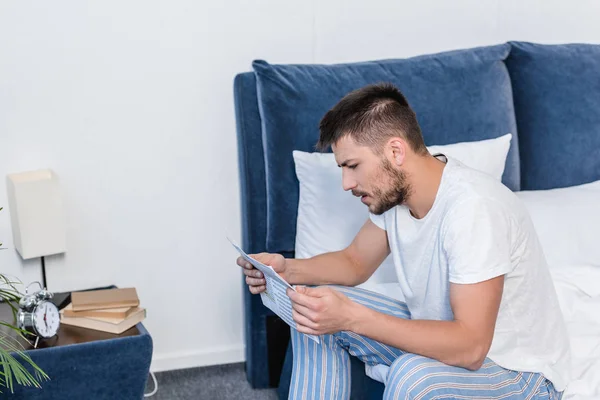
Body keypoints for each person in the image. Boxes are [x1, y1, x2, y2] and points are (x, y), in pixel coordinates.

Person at [236, 83, 571, 399]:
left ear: (395, 151)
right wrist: (286, 268)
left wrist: (352, 317)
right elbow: (354, 262)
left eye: (352, 166)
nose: (346, 183)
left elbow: (470, 348)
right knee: (313, 309)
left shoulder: (473, 208)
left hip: (520, 376)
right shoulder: (396, 196)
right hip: (453, 340)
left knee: (413, 374)